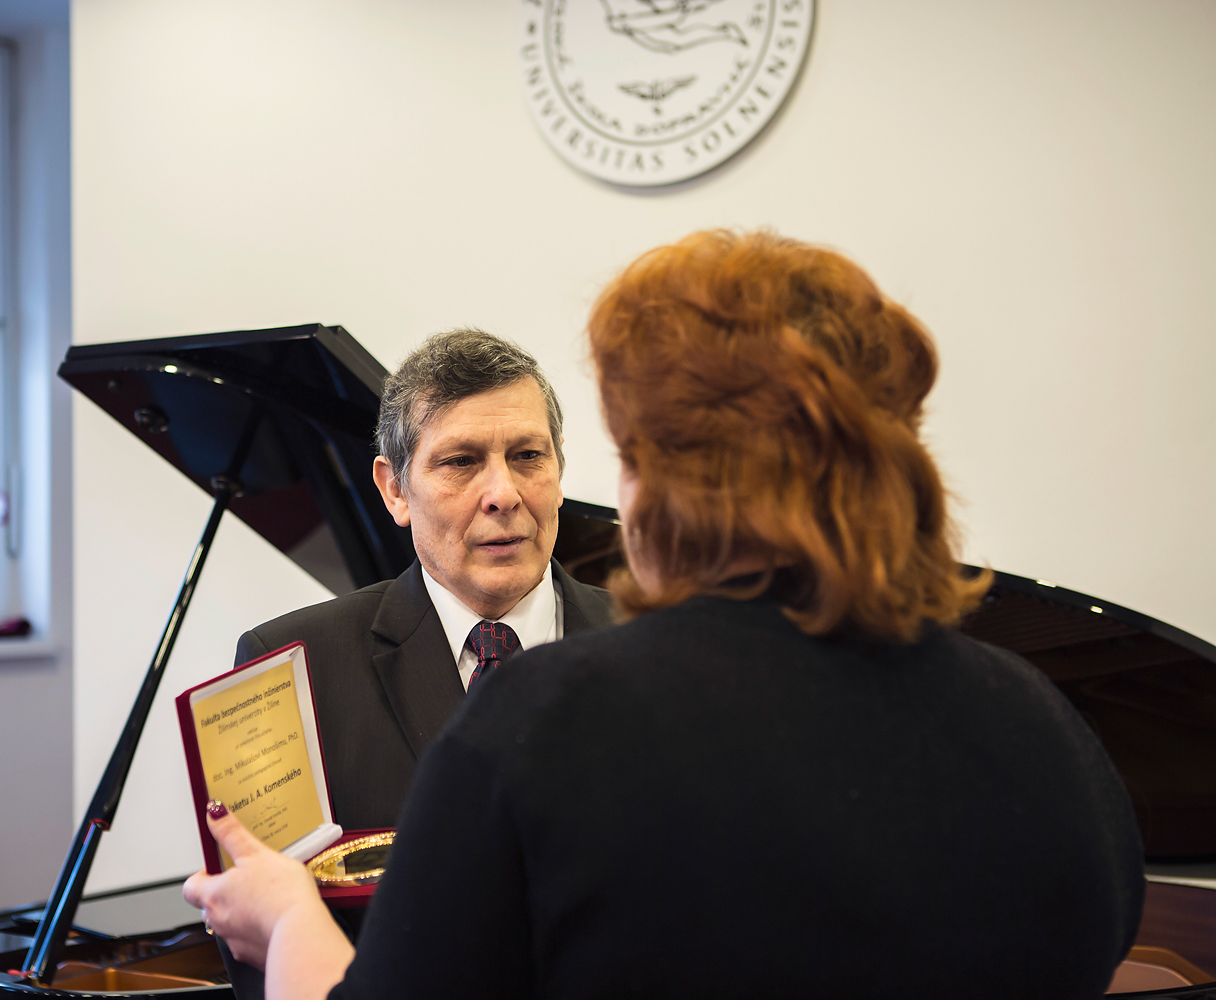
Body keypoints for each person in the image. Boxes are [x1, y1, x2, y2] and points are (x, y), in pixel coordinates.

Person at [187, 231, 1146, 999]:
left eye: (542, 456)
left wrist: (292, 923)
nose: (503, 494)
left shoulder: (546, 717)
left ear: (658, 481)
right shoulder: (1036, 719)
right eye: (461, 462)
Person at [215, 328, 616, 995]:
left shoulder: (656, 644)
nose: (504, 492)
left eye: (527, 456)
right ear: (394, 489)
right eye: (461, 461)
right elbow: (256, 933)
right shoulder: (288, 668)